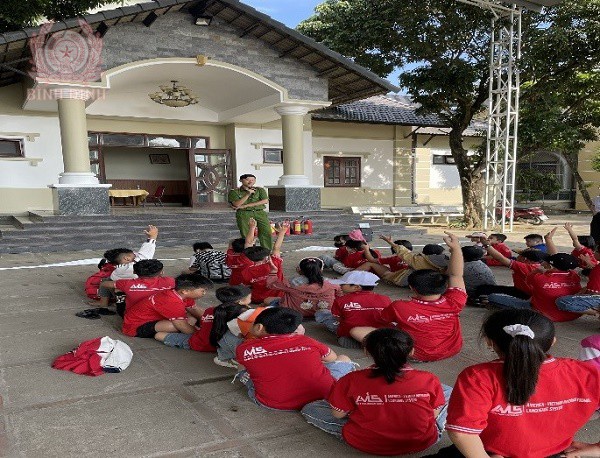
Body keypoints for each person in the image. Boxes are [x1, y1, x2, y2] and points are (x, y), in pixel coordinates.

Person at [445, 309, 600, 458]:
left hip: (488, 452)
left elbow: (462, 432)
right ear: (553, 341)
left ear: (489, 342)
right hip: (555, 453)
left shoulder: (478, 378)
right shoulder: (588, 373)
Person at [301, 328, 452, 456]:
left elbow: (338, 414)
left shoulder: (351, 379)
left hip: (366, 441)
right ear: (411, 351)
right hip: (421, 441)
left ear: (367, 351)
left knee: (310, 408)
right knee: (448, 391)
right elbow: (433, 414)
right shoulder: (428, 379)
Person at [351, 232, 467, 362]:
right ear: (444, 285)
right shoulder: (455, 301)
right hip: (452, 350)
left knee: (355, 331)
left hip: (416, 354)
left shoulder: (400, 306)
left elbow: (382, 320)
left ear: (412, 288)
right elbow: (456, 275)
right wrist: (456, 248)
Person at [236, 307, 355, 411]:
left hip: (274, 403)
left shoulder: (244, 348)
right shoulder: (308, 341)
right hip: (322, 395)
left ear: (258, 327)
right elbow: (332, 359)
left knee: (244, 368)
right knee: (343, 358)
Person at [488, 229, 583, 322]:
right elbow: (558, 259)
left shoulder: (540, 276)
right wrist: (549, 240)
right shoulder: (573, 275)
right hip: (572, 315)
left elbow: (502, 259)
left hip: (544, 314)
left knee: (493, 297)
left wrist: (537, 271)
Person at [80, 225, 159, 317]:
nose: (136, 254)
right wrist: (152, 237)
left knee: (105, 281)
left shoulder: (118, 270)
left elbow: (113, 280)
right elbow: (146, 252)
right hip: (144, 294)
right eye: (134, 254)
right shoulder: (141, 263)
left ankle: (103, 303)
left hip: (125, 296)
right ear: (127, 258)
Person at [155, 285, 251, 353]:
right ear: (241, 301)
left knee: (158, 335)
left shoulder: (211, 310)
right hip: (220, 346)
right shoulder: (246, 314)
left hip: (198, 342)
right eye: (250, 297)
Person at [315, 271, 391, 348]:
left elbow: (338, 319)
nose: (340, 286)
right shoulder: (385, 299)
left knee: (322, 313)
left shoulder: (341, 300)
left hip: (349, 334)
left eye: (343, 284)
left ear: (356, 287)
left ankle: (358, 342)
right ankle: (373, 343)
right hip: (379, 333)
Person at [121, 273, 212, 338]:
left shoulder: (182, 294)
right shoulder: (172, 301)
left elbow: (194, 309)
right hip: (135, 326)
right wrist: (202, 337)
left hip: (153, 318)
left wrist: (210, 321)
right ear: (185, 291)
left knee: (192, 318)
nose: (204, 293)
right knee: (175, 326)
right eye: (202, 291)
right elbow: (181, 325)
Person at [475, 237, 549, 301]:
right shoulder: (538, 265)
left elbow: (500, 258)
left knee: (489, 295)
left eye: (519, 255)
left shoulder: (524, 266)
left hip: (524, 294)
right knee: (485, 288)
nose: (517, 257)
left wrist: (486, 245)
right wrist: (549, 239)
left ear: (524, 258)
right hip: (524, 291)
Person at [264, 257, 341, 318]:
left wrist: (273, 271)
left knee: (267, 300)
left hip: (295, 312)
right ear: (321, 270)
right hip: (324, 310)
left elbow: (271, 284)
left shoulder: (290, 283)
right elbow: (339, 296)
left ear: (299, 270)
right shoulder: (333, 283)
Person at [102, 259, 175, 318]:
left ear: (134, 271)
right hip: (162, 315)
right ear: (161, 272)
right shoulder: (170, 281)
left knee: (118, 288)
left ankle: (113, 303)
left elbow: (104, 284)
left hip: (132, 316)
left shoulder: (127, 283)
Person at [370, 235, 449, 287]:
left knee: (384, 273)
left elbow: (372, 260)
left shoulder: (416, 260)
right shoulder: (446, 261)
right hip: (427, 283)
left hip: (403, 279)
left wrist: (367, 249)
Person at [241, 222, 288, 303]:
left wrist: (252, 228)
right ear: (266, 257)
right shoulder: (274, 262)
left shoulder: (246, 270)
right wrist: (282, 232)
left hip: (257, 298)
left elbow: (248, 244)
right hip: (279, 296)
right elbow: (276, 248)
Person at [228, 174, 272, 250]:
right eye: (248, 179)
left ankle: (266, 251)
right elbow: (237, 204)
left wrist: (246, 205)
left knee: (266, 231)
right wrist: (248, 194)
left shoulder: (260, 190)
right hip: (244, 214)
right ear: (241, 180)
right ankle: (249, 252)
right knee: (246, 234)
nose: (251, 181)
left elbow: (265, 201)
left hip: (259, 212)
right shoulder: (234, 192)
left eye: (253, 180)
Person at [225, 220, 256, 286]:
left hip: (234, 282)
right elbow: (248, 243)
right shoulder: (245, 257)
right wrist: (252, 228)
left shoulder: (230, 254)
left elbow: (231, 242)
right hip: (247, 282)